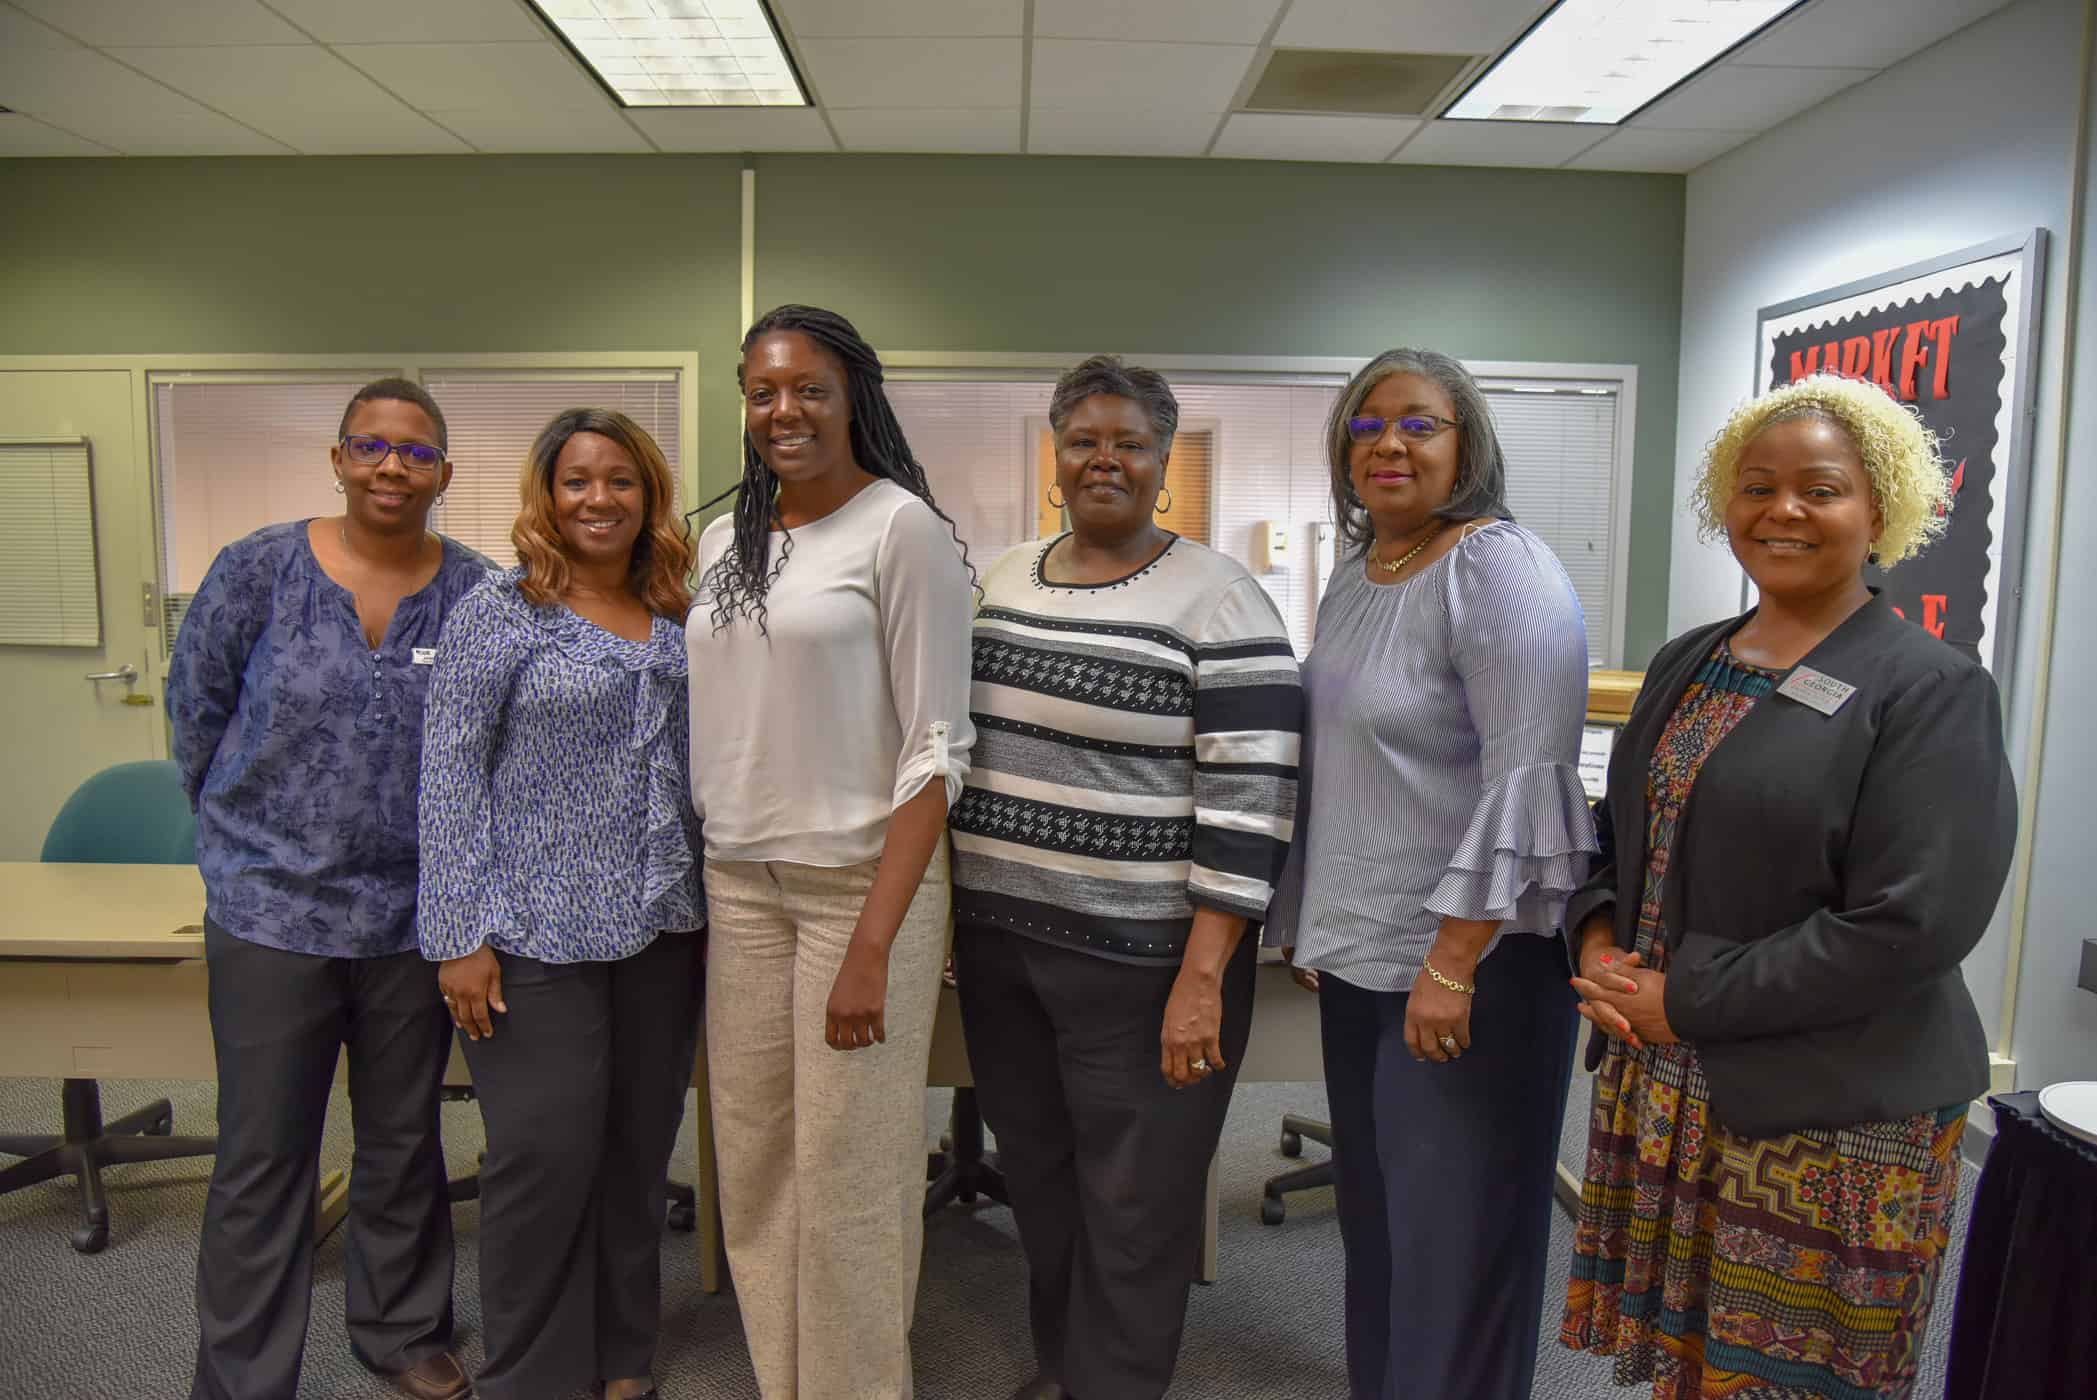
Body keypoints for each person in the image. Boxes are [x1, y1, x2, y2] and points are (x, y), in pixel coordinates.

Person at [1559, 374, 2016, 1400]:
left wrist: (1684, 998)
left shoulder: (1929, 688)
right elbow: (1618, 836)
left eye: (1822, 488)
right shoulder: (1691, 661)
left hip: (1835, 1109)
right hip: (1675, 1076)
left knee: (1790, 1378)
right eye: (1757, 486)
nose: (1784, 511)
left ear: (1882, 508)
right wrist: (1594, 941)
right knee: (1693, 1364)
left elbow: (1914, 921)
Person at [948, 355, 1302, 1400]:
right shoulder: (1005, 576)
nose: (1105, 458)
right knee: (1045, 1183)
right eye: (1083, 440)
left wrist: (1205, 974)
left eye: (1130, 442)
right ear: (1054, 458)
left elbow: (1255, 806)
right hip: (1006, 948)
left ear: (1163, 464)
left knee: (1136, 1203)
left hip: (1147, 962)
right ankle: (1067, 1368)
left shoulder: (1223, 600)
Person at [1265, 348, 1597, 1400]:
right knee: (1383, 1233)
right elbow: (1354, 765)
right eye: (1368, 425)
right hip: (1366, 960)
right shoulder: (1360, 574)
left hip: (1469, 966)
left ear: (1468, 446)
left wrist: (1452, 960)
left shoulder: (1498, 567)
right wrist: (1321, 918)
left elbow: (1529, 777)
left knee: (1457, 1249)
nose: (1390, 443)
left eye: (1419, 423)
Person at [167, 378, 486, 1400]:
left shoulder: (478, 592)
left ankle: (400, 1330)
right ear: (338, 458)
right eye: (372, 445)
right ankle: (243, 1369)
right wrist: (242, 840)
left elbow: (487, 751)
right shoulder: (257, 570)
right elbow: (195, 714)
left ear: (445, 471)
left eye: (417, 451)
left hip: (409, 921)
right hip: (271, 916)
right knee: (265, 1155)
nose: (393, 465)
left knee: (402, 1140)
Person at [687, 304, 976, 1398]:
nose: (783, 410)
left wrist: (874, 942)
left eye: (808, 387)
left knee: (851, 1172)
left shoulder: (903, 529)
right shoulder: (725, 541)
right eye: (763, 390)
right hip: (739, 885)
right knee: (757, 1164)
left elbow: (935, 752)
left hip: (860, 888)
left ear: (854, 393)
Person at [417, 409, 703, 1400]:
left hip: (665, 927)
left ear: (648, 494)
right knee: (544, 1156)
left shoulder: (679, 609)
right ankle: (533, 1373)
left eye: (620, 479)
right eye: (577, 480)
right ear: (547, 497)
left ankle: (623, 1353)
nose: (599, 498)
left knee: (634, 1153)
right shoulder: (500, 610)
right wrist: (458, 933)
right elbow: (448, 772)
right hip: (533, 932)